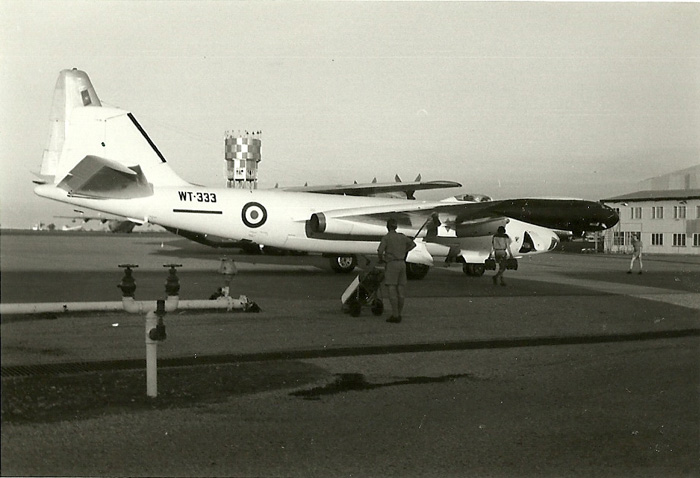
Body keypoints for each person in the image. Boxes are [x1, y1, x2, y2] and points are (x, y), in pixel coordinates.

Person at [377, 218, 416, 323]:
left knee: (392, 288)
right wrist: (404, 251)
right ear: (396, 227)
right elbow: (413, 244)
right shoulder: (402, 237)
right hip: (402, 263)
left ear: (387, 226)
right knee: (401, 289)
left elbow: (380, 250)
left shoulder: (387, 238)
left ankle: (395, 314)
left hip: (392, 263)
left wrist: (381, 259)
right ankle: (399, 313)